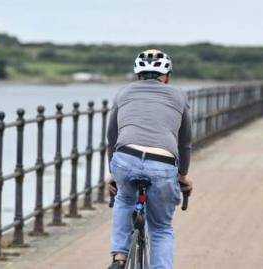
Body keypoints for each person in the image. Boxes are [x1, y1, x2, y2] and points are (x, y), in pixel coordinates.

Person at [106, 49, 193, 269]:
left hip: (126, 158)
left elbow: (112, 137)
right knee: (161, 227)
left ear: (138, 75)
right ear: (168, 76)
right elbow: (185, 143)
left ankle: (119, 257)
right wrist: (182, 175)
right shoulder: (178, 96)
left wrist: (113, 172)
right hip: (162, 163)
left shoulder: (123, 93)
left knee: (124, 199)